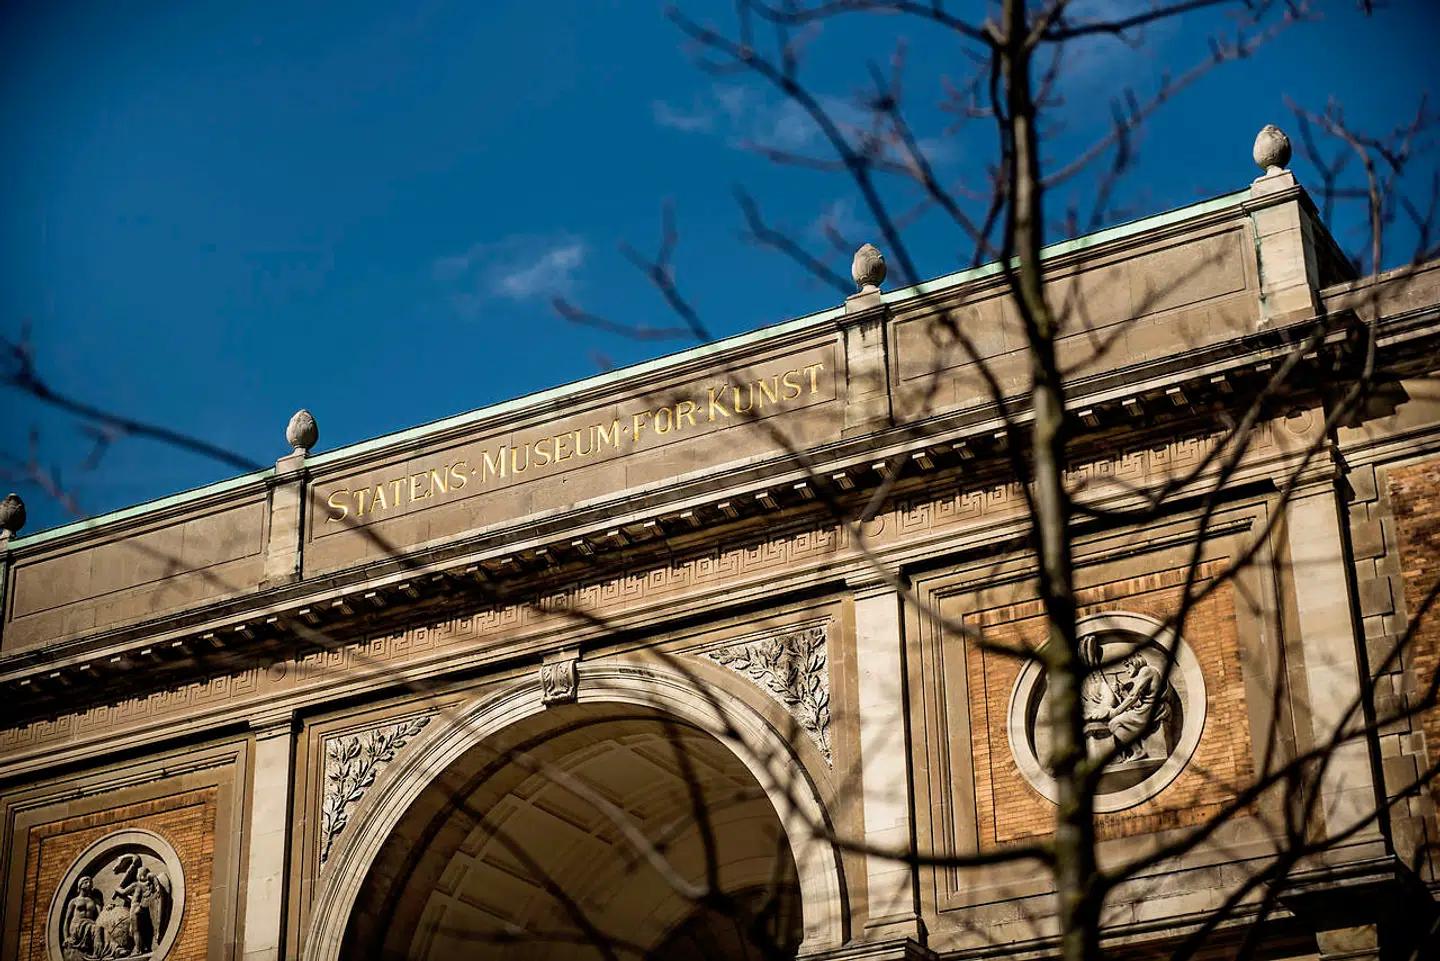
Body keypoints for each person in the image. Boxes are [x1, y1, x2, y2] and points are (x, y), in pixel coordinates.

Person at [1104, 653, 1170, 762]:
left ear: (1135, 662)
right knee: (1119, 720)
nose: (1126, 670)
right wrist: (1122, 692)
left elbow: (1134, 696)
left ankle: (1138, 751)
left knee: (1114, 723)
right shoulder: (1145, 672)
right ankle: (1129, 753)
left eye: (1127, 666)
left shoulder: (1146, 670)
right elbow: (1137, 700)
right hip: (1145, 708)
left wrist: (1116, 711)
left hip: (1149, 710)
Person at [60, 876, 103, 955]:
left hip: (90, 924)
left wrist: (109, 908)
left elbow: (101, 915)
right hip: (77, 926)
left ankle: (99, 953)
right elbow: (67, 919)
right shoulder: (74, 901)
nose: (89, 884)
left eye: (90, 883)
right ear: (80, 885)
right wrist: (66, 938)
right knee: (94, 928)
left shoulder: (95, 900)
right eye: (86, 882)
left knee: (98, 929)